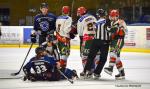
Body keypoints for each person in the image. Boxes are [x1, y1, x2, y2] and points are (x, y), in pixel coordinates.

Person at [83, 9, 111, 79]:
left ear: (98, 15)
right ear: (104, 14)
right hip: (104, 42)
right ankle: (97, 73)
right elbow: (109, 30)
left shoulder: (96, 22)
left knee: (90, 57)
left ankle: (86, 71)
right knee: (103, 58)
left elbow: (95, 30)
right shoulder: (107, 21)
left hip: (95, 41)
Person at [76, 7, 100, 78]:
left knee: (84, 56)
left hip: (87, 39)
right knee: (95, 55)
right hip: (96, 38)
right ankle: (95, 71)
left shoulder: (81, 19)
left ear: (80, 13)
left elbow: (80, 33)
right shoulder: (93, 17)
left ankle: (86, 71)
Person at [104, 9, 127, 80]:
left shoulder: (120, 22)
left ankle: (110, 68)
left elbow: (114, 30)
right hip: (115, 40)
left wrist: (108, 28)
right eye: (110, 16)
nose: (110, 17)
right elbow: (110, 30)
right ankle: (122, 73)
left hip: (119, 40)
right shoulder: (113, 22)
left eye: (112, 16)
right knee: (117, 58)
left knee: (113, 53)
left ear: (116, 16)